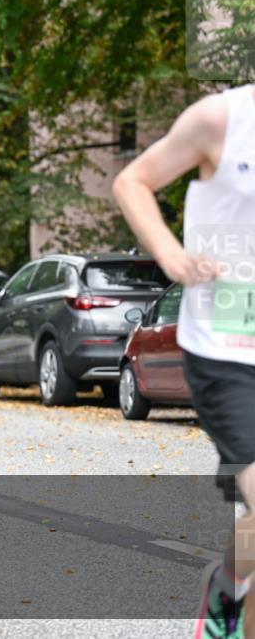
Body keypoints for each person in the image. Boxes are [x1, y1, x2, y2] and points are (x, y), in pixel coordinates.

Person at [113, 83, 254, 639]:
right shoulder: (221, 119)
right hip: (226, 352)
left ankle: (229, 585)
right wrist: (173, 257)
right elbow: (132, 181)